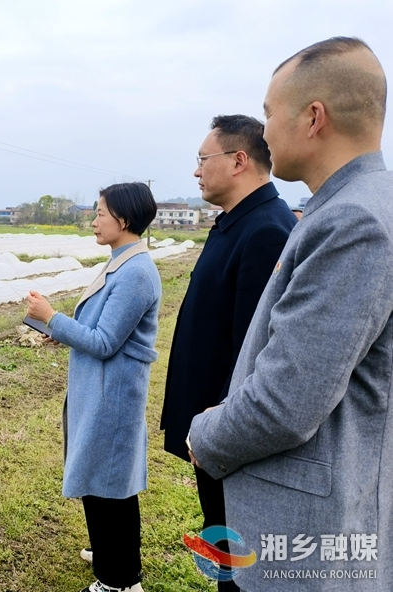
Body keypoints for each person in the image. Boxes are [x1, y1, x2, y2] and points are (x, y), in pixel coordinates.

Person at [189, 37, 393, 591]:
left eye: (269, 113)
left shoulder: (354, 222)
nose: (266, 132)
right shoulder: (350, 205)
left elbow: (286, 401)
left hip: (307, 539)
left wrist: (204, 435)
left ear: (313, 117)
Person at [159, 115, 296, 592]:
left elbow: (254, 353)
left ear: (238, 161)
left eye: (203, 159)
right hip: (212, 431)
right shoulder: (236, 224)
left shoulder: (265, 231)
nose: (196, 171)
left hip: (228, 437)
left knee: (239, 562)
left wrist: (217, 429)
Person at [26, 182, 160, 592]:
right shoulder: (122, 261)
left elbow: (104, 342)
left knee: (110, 488)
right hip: (99, 391)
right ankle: (110, 557)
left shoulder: (136, 272)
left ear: (124, 218)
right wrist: (61, 330)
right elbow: (101, 331)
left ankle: (117, 582)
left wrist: (52, 318)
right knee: (102, 483)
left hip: (112, 396)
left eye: (101, 212)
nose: (95, 220)